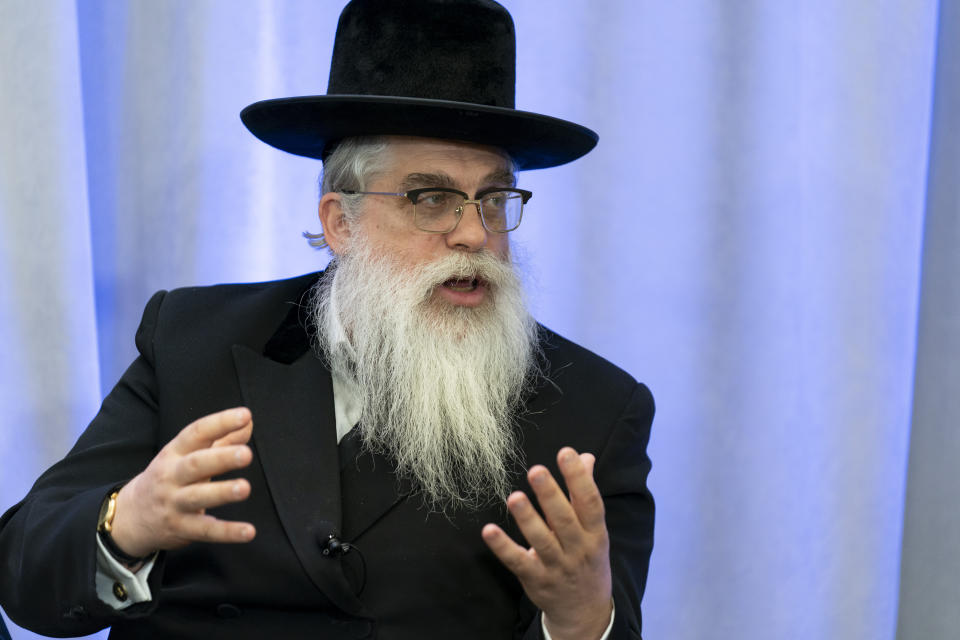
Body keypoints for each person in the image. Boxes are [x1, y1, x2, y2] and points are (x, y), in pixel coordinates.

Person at [0, 1, 654, 639]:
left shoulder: (594, 409)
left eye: (493, 197)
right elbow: (24, 575)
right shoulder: (194, 338)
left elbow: (606, 622)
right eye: (431, 198)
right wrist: (126, 524)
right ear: (340, 221)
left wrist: (577, 620)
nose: (474, 233)